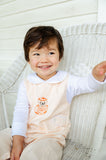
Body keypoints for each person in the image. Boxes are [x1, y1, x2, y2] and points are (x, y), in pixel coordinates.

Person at [0, 26, 106, 160]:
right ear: (28, 59)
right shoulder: (26, 83)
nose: (44, 59)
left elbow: (87, 85)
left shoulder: (67, 81)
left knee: (35, 155)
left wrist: (95, 76)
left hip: (50, 139)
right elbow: (20, 114)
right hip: (26, 133)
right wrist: (18, 141)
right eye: (36, 54)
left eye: (50, 53)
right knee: (3, 136)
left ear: (59, 56)